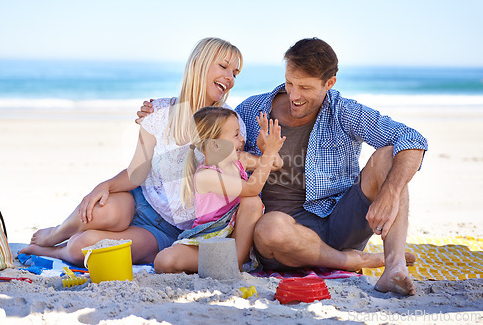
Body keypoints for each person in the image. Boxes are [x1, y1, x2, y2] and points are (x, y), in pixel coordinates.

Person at [137, 38, 427, 296]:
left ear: (329, 83)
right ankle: (352, 261)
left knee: (391, 156)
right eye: (290, 83)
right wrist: (164, 113)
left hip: (341, 220)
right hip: (282, 232)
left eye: (305, 87)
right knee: (270, 228)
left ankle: (394, 267)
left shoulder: (344, 111)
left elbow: (411, 138)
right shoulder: (251, 111)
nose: (294, 95)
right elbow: (210, 146)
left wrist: (390, 190)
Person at [19, 37, 256, 267]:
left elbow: (233, 177)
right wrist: (105, 186)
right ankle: (56, 233)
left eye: (235, 73)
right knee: (102, 210)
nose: (230, 78)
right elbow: (138, 171)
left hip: (170, 230)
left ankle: (56, 251)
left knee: (84, 246)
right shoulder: (158, 112)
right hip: (141, 201)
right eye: (224, 67)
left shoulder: (231, 125)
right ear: (198, 64)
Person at [154, 107, 285, 273]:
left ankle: (236, 260)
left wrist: (267, 148)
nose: (242, 139)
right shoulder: (206, 175)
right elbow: (252, 187)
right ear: (215, 145)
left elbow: (275, 164)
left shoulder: (240, 160)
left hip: (238, 239)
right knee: (164, 261)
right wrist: (269, 153)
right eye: (236, 135)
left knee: (252, 202)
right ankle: (220, 262)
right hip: (210, 238)